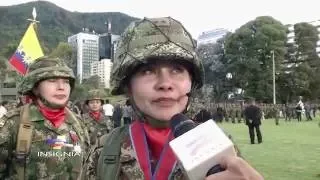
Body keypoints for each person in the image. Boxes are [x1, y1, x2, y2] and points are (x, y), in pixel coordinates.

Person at [97, 17, 263, 180]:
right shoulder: (106, 150)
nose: (165, 84)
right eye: (147, 71)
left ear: (191, 82)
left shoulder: (219, 145)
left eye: (177, 70)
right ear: (128, 86)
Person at [0, 57, 90, 179]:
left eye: (66, 82)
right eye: (52, 80)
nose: (61, 87)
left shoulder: (77, 124)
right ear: (35, 87)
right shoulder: (13, 124)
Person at [82, 89, 113, 179]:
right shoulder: (82, 119)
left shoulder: (107, 120)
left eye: (97, 102)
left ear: (101, 104)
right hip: (88, 154)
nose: (95, 104)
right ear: (87, 105)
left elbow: (111, 137)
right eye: (92, 102)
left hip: (103, 154)